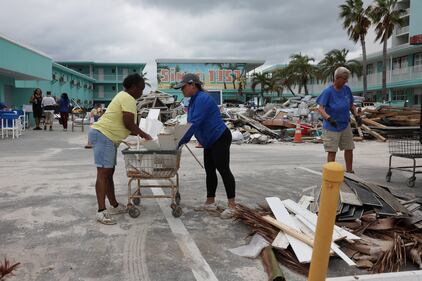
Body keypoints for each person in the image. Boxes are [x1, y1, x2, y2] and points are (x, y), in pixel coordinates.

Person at [88, 73, 152, 225]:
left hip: (108, 137)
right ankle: (101, 211)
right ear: (134, 87)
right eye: (141, 90)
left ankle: (114, 205)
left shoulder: (123, 97)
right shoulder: (128, 98)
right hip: (104, 135)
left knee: (109, 172)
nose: (141, 93)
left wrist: (143, 134)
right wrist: (146, 135)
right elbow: (129, 124)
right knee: (103, 173)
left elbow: (128, 127)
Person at [175, 73, 237, 219]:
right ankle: (210, 202)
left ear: (192, 85)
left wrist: (180, 141)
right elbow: (190, 122)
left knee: (223, 169)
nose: (181, 90)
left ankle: (233, 206)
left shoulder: (202, 99)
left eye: (183, 87)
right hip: (209, 140)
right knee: (209, 170)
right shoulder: (192, 100)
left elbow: (194, 123)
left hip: (219, 137)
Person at [316, 67, 362, 173]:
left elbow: (351, 105)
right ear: (337, 78)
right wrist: (329, 118)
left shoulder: (347, 89)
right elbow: (320, 108)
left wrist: (357, 116)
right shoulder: (328, 91)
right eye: (344, 78)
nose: (346, 81)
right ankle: (330, 173)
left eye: (347, 78)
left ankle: (349, 171)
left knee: (349, 148)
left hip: (345, 125)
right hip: (332, 126)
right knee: (332, 151)